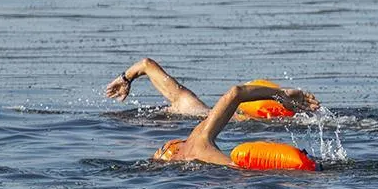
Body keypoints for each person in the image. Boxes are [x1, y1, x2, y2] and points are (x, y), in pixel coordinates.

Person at [106, 58, 321, 169]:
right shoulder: (196, 132)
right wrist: (280, 94)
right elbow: (235, 93)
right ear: (176, 144)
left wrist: (126, 79)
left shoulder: (184, 109)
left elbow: (146, 65)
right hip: (243, 147)